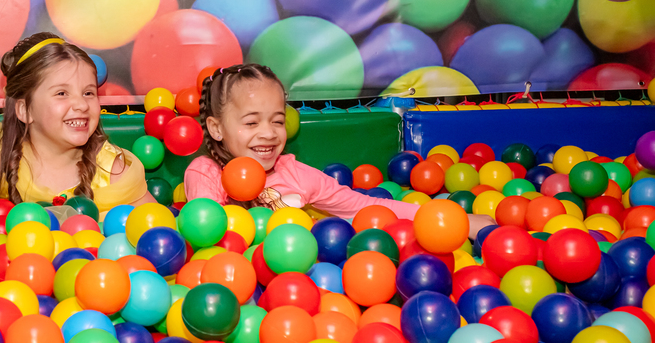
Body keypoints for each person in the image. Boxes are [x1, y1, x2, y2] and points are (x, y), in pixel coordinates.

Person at [185, 64, 493, 232]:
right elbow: (206, 231)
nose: (268, 133)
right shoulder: (206, 173)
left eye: (277, 121)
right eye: (251, 123)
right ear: (216, 128)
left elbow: (363, 206)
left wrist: (456, 222)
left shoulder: (296, 175)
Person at [0, 33, 155, 234]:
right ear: (25, 110)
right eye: (62, 93)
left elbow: (158, 231)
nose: (81, 105)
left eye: (88, 93)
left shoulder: (112, 170)